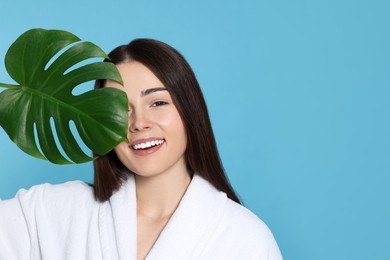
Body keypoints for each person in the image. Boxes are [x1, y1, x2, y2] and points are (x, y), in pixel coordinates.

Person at [0, 39, 282, 260]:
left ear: (189, 110)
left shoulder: (245, 238)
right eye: (120, 109)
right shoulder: (50, 212)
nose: (139, 123)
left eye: (158, 103)